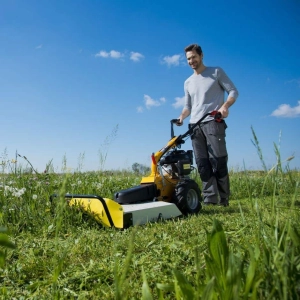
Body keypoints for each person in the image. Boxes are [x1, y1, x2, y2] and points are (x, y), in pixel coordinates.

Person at [176, 44, 239, 206]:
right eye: (188, 59)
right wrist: (181, 117)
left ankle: (224, 199)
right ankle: (210, 199)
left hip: (213, 121)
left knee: (218, 160)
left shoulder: (216, 72)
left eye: (194, 57)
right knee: (202, 164)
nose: (191, 61)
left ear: (201, 55)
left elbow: (233, 91)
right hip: (194, 126)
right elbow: (188, 107)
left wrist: (224, 106)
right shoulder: (187, 82)